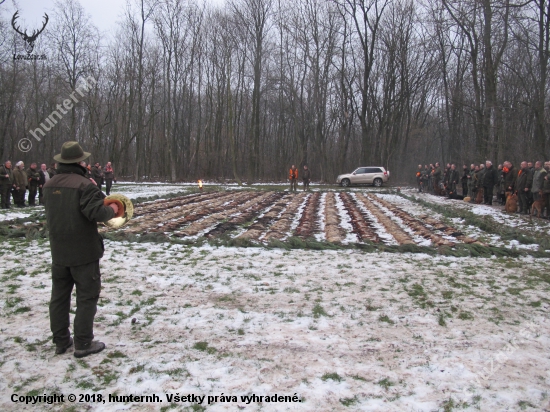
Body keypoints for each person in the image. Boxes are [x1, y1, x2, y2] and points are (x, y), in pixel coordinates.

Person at [43, 141, 120, 358]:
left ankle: (60, 341)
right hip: (84, 252)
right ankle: (84, 342)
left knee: (59, 297)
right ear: (79, 161)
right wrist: (112, 208)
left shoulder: (49, 185)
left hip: (58, 251)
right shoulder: (85, 185)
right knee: (87, 297)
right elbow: (97, 214)